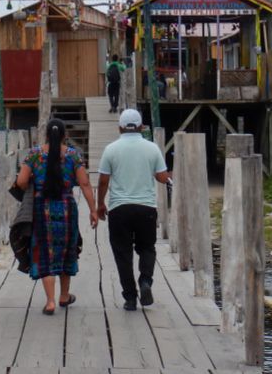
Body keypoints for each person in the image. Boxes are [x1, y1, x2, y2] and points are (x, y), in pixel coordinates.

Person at [15, 118, 98, 315]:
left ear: (46, 135)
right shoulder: (73, 155)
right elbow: (85, 184)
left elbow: (21, 181)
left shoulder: (34, 155)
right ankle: (64, 295)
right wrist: (93, 210)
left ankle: (50, 302)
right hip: (67, 208)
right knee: (66, 249)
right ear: (64, 136)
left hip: (41, 209)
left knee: (45, 251)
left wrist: (33, 182)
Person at [96, 108, 170, 311]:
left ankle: (130, 298)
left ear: (120, 128)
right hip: (146, 208)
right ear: (141, 127)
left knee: (122, 253)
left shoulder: (111, 149)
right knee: (147, 248)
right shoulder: (152, 148)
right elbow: (162, 177)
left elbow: (103, 181)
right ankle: (145, 280)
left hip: (119, 208)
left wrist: (100, 204)